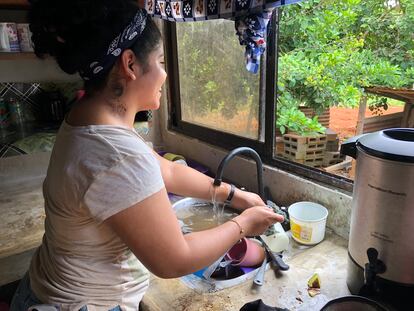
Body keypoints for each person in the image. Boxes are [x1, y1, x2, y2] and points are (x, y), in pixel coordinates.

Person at [10, 0, 283, 310]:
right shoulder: (115, 153)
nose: (165, 74)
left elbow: (166, 171)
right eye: (162, 61)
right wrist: (244, 224)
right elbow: (174, 259)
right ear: (130, 64)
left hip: (45, 290)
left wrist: (235, 196)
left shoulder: (89, 118)